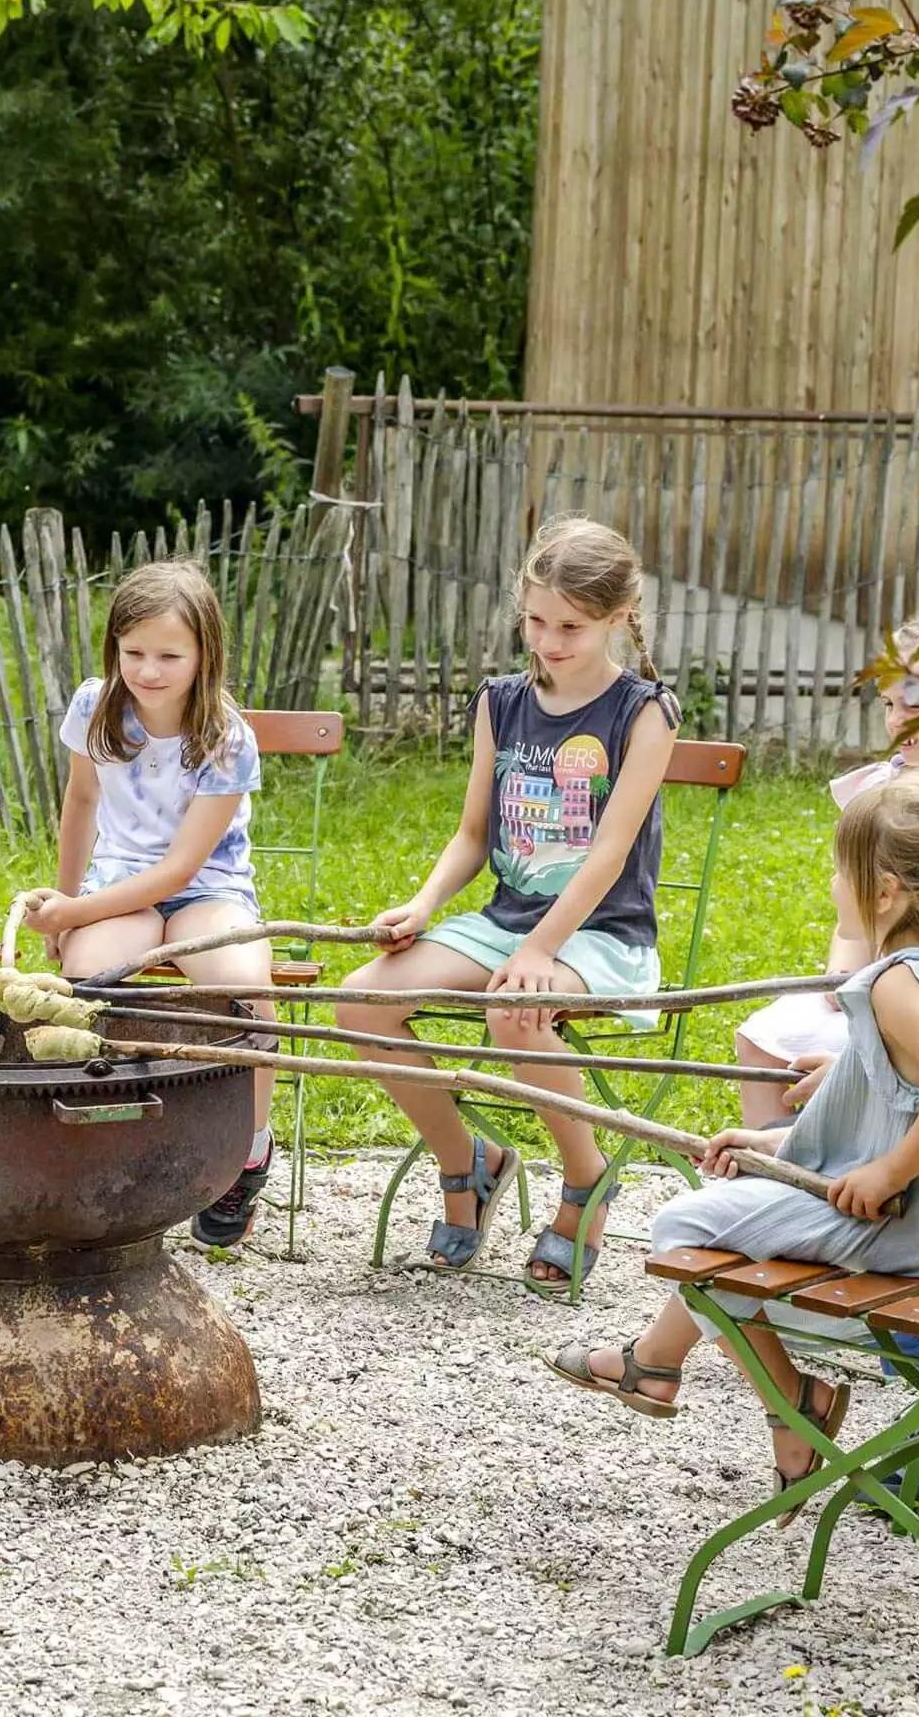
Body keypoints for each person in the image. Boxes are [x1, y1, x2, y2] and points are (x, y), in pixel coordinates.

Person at [551, 777, 919, 1497]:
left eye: (840, 872)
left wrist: (888, 1173)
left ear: (886, 893)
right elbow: (913, 1094)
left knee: (685, 1225)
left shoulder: (898, 982)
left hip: (906, 1229)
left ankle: (755, 1392)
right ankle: (697, 1377)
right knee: (720, 1230)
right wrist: (777, 1143)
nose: (834, 887)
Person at [331, 517, 677, 1285]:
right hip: (506, 922)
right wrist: (423, 906)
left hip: (600, 933)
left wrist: (541, 949)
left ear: (619, 617)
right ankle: (470, 1164)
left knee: (511, 1008)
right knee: (359, 1002)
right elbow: (471, 834)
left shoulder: (643, 713)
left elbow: (610, 855)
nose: (548, 641)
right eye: (536, 620)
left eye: (570, 627)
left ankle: (587, 1181)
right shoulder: (503, 701)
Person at [20, 562, 278, 1249]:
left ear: (204, 655)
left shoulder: (226, 736)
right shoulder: (94, 706)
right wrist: (72, 898)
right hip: (116, 881)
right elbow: (80, 802)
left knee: (248, 993)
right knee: (87, 988)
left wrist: (73, 914)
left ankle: (248, 1152)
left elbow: (181, 869)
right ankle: (97, 1145)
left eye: (169, 655)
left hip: (207, 887)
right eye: (134, 654)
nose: (149, 670)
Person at [732, 617, 919, 1128]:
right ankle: (782, 1167)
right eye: (888, 704)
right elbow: (853, 911)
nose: (898, 719)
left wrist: (900, 990)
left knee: (885, 1050)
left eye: (916, 705)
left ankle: (866, 1166)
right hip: (873, 985)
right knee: (769, 1035)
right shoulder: (877, 793)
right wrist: (844, 977)